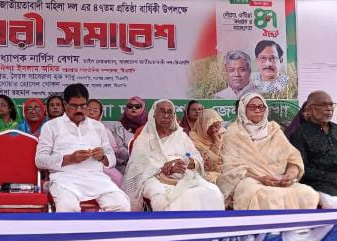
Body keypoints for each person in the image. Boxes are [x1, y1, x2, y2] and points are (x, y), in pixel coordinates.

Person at [34, 84, 129, 212]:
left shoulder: (98, 127)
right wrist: (69, 159)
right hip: (64, 179)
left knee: (122, 205)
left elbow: (111, 159)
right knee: (67, 207)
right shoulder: (51, 126)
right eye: (74, 106)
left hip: (96, 178)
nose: (79, 110)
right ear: (65, 105)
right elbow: (40, 160)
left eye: (83, 105)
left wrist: (103, 157)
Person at [219, 93, 317, 209]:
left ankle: (297, 222)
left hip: (278, 179)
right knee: (264, 196)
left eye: (261, 107)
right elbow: (231, 168)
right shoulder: (234, 133)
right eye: (252, 107)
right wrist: (261, 178)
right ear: (243, 109)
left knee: (308, 193)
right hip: (250, 180)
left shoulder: (274, 130)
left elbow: (293, 157)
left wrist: (291, 174)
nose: (257, 110)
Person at [122, 99, 224, 211]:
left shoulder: (181, 136)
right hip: (154, 178)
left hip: (185, 175)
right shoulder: (144, 138)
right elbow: (137, 166)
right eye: (162, 111)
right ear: (154, 114)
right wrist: (166, 168)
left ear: (174, 115)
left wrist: (183, 163)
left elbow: (197, 158)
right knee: (166, 199)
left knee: (213, 192)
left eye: (169, 112)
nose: (166, 116)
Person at [289, 90, 337, 208]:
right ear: (310, 108)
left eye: (331, 104)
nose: (329, 108)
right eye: (323, 105)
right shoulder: (299, 134)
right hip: (323, 183)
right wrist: (336, 180)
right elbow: (302, 169)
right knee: (335, 205)